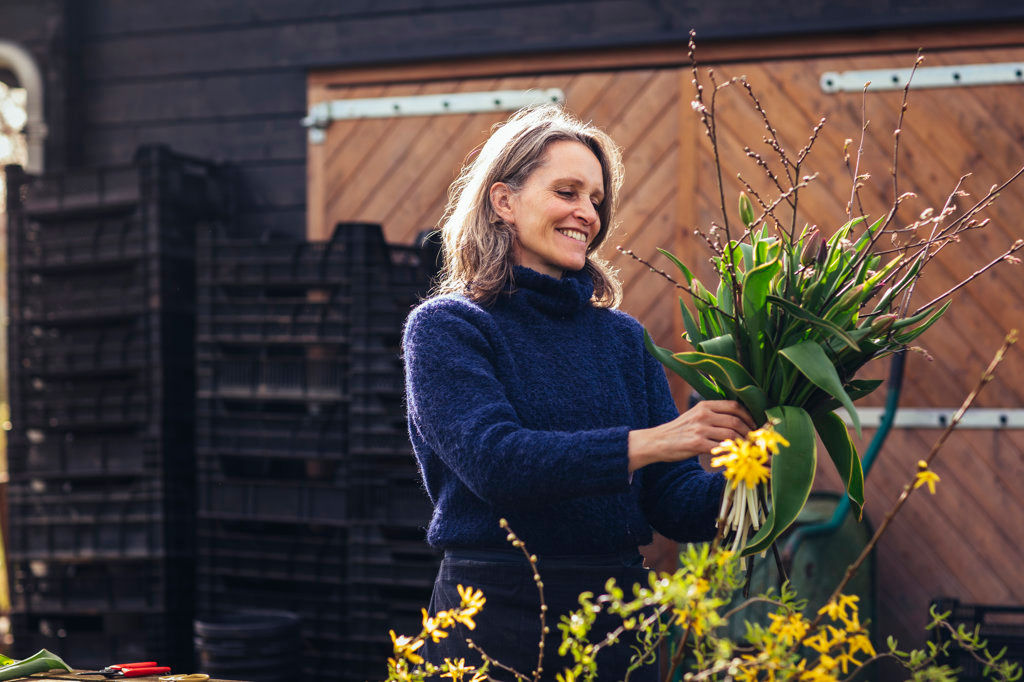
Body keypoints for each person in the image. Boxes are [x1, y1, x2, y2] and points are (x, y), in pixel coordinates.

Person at [402, 104, 755, 681]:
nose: (586, 213)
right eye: (567, 191)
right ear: (503, 201)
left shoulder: (623, 337)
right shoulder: (448, 327)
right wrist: (652, 442)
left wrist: (756, 479)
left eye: (596, 200)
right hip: (498, 611)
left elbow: (670, 500)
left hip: (618, 616)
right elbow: (498, 463)